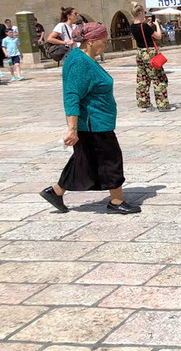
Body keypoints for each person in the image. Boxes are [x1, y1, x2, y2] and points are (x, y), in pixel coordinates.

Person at [38, 22, 140, 214]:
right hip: (94, 124)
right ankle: (116, 201)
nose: (106, 44)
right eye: (103, 40)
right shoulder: (79, 61)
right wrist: (72, 129)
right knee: (111, 160)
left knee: (83, 160)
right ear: (92, 41)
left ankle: (55, 192)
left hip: (96, 122)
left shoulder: (85, 58)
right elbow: (71, 95)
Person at [130, 3, 175, 112]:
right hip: (149, 54)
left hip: (140, 53)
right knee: (158, 78)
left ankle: (145, 104)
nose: (145, 15)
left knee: (142, 79)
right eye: (144, 13)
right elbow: (158, 36)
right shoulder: (144, 26)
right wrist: (157, 26)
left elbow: (142, 34)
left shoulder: (132, 26)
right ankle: (162, 105)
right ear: (140, 13)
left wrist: (148, 26)